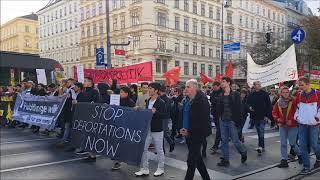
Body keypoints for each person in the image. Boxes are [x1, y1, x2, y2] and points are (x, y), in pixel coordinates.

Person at [179, 79, 211, 180]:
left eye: (188, 87)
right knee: (197, 159)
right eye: (185, 87)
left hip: (198, 134)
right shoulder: (187, 99)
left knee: (191, 160)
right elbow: (185, 115)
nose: (185, 89)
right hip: (188, 133)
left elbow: (202, 121)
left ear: (195, 87)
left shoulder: (202, 100)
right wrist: (183, 129)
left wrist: (189, 131)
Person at [215, 77, 247, 167]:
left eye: (223, 82)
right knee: (224, 141)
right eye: (221, 82)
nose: (222, 83)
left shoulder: (235, 94)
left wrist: (237, 121)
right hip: (223, 121)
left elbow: (240, 108)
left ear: (228, 83)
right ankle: (225, 160)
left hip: (232, 121)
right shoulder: (221, 94)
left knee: (236, 141)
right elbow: (218, 108)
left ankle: (243, 152)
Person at [135, 82, 166, 177]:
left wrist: (156, 112)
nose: (148, 90)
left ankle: (161, 168)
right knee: (143, 149)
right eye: (148, 88)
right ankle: (145, 169)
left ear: (156, 90)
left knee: (159, 149)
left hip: (157, 130)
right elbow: (147, 113)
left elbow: (164, 115)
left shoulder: (161, 102)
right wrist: (139, 109)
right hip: (147, 129)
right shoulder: (148, 100)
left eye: (150, 88)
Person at [294, 77, 320, 175]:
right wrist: (297, 117)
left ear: (308, 84)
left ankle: (319, 158)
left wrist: (317, 118)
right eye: (299, 85)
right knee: (302, 146)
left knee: (314, 144)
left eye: (302, 85)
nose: (300, 87)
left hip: (314, 125)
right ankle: (306, 167)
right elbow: (296, 108)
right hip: (302, 125)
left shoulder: (318, 94)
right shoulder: (299, 95)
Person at [272, 86, 302, 168]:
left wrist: (292, 120)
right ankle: (284, 160)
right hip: (282, 125)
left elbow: (298, 112)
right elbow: (274, 112)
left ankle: (300, 155)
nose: (285, 94)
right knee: (283, 143)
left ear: (289, 93)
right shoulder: (278, 102)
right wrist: (277, 119)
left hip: (293, 125)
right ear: (281, 93)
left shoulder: (294, 100)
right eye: (283, 92)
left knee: (292, 143)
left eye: (287, 92)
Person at [75, 77, 100, 162]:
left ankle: (93, 155)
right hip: (84, 116)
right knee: (86, 135)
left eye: (85, 81)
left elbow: (96, 103)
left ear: (90, 82)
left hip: (91, 117)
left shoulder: (94, 91)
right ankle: (89, 154)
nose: (84, 82)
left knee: (91, 136)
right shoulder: (84, 92)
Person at [112, 86, 136, 170]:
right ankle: (117, 160)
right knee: (116, 143)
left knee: (122, 144)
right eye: (120, 92)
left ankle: (120, 160)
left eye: (122, 92)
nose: (120, 93)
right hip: (117, 124)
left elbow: (133, 115)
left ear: (127, 93)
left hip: (125, 126)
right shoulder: (117, 100)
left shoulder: (130, 102)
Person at [247, 81, 272, 154]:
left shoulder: (265, 94)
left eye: (259, 84)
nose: (258, 86)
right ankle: (262, 145)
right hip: (254, 116)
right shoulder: (251, 94)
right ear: (254, 86)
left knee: (261, 131)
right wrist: (249, 107)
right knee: (258, 132)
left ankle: (260, 146)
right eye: (257, 84)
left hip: (263, 116)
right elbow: (247, 103)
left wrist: (267, 116)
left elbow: (269, 105)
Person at [159, 85, 175, 153]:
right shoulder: (162, 98)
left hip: (164, 118)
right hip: (162, 117)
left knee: (163, 133)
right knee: (162, 134)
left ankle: (170, 144)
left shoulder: (166, 99)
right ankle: (163, 148)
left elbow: (166, 109)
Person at [209, 81, 223, 154]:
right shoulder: (212, 93)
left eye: (215, 87)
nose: (214, 88)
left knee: (219, 131)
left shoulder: (222, 92)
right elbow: (212, 101)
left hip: (221, 115)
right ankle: (222, 142)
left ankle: (216, 145)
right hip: (215, 114)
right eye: (213, 87)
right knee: (219, 130)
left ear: (218, 86)